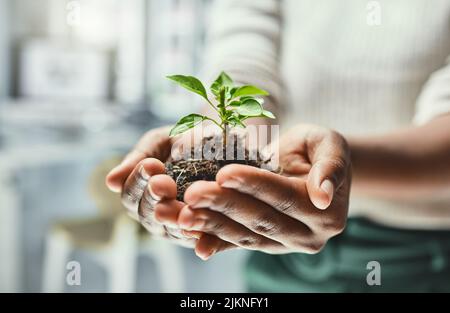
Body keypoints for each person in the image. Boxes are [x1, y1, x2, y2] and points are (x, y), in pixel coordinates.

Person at [106, 0, 450, 292]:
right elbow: (244, 49)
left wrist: (333, 168)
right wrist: (232, 144)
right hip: (278, 249)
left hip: (419, 257)